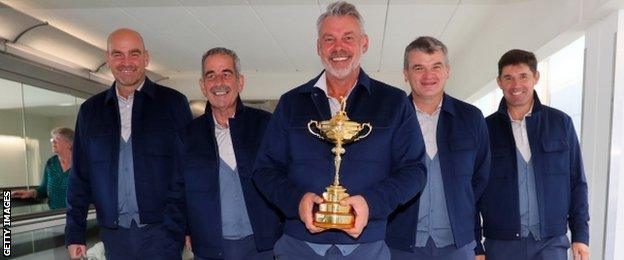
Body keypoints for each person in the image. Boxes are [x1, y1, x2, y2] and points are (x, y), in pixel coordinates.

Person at [252, 2, 427, 259]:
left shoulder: (394, 102)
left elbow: (415, 170)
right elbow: (264, 170)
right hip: (299, 246)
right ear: (318, 47)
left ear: (364, 43)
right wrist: (297, 201)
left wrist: (371, 204)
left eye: (348, 38)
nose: (338, 48)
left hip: (367, 247)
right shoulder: (291, 103)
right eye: (329, 39)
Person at [65, 28, 193, 259]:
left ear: (146, 57)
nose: (126, 62)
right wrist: (75, 232)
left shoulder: (173, 103)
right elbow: (80, 177)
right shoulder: (90, 111)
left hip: (163, 233)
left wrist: (189, 226)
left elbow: (188, 170)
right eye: (118, 54)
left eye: (134, 54)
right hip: (113, 236)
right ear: (108, 59)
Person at [163, 47, 282, 260]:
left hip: (263, 247)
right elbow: (177, 196)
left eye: (226, 74)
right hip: (210, 249)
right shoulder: (188, 136)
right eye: (211, 75)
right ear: (202, 85)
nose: (219, 82)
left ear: (240, 81)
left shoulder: (265, 125)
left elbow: (284, 179)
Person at [477, 49, 590, 260]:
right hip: (501, 244)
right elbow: (472, 191)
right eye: (508, 78)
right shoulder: (485, 129)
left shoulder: (560, 123)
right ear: (499, 82)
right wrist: (476, 245)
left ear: (536, 77)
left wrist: (580, 235)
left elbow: (577, 182)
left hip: (550, 242)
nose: (516, 85)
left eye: (523, 76)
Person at [386, 36, 490, 260]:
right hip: (399, 244)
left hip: (457, 245)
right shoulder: (389, 119)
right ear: (406, 74)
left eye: (436, 66)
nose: (428, 75)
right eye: (418, 68)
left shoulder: (471, 118)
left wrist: (477, 241)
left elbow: (480, 181)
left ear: (447, 71)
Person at [12, 127, 74, 210]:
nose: (53, 142)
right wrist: (31, 193)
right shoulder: (51, 163)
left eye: (57, 139)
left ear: (69, 144)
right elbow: (44, 189)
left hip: (78, 215)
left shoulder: (82, 163)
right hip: (54, 215)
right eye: (52, 140)